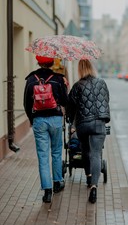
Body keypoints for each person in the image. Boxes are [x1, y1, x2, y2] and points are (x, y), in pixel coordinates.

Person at [23, 55, 68, 203]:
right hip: (55, 119)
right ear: (51, 63)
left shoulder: (31, 79)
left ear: (38, 62)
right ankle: (57, 183)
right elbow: (65, 101)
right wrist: (64, 87)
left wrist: (32, 119)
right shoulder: (58, 78)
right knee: (56, 152)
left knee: (43, 156)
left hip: (39, 120)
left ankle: (47, 191)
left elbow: (26, 103)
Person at [66, 59, 110, 203]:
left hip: (83, 124)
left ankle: (89, 177)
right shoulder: (102, 83)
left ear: (79, 69)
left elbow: (70, 106)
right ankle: (94, 186)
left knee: (85, 151)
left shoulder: (77, 86)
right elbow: (106, 100)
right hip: (99, 124)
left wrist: (70, 120)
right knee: (96, 154)